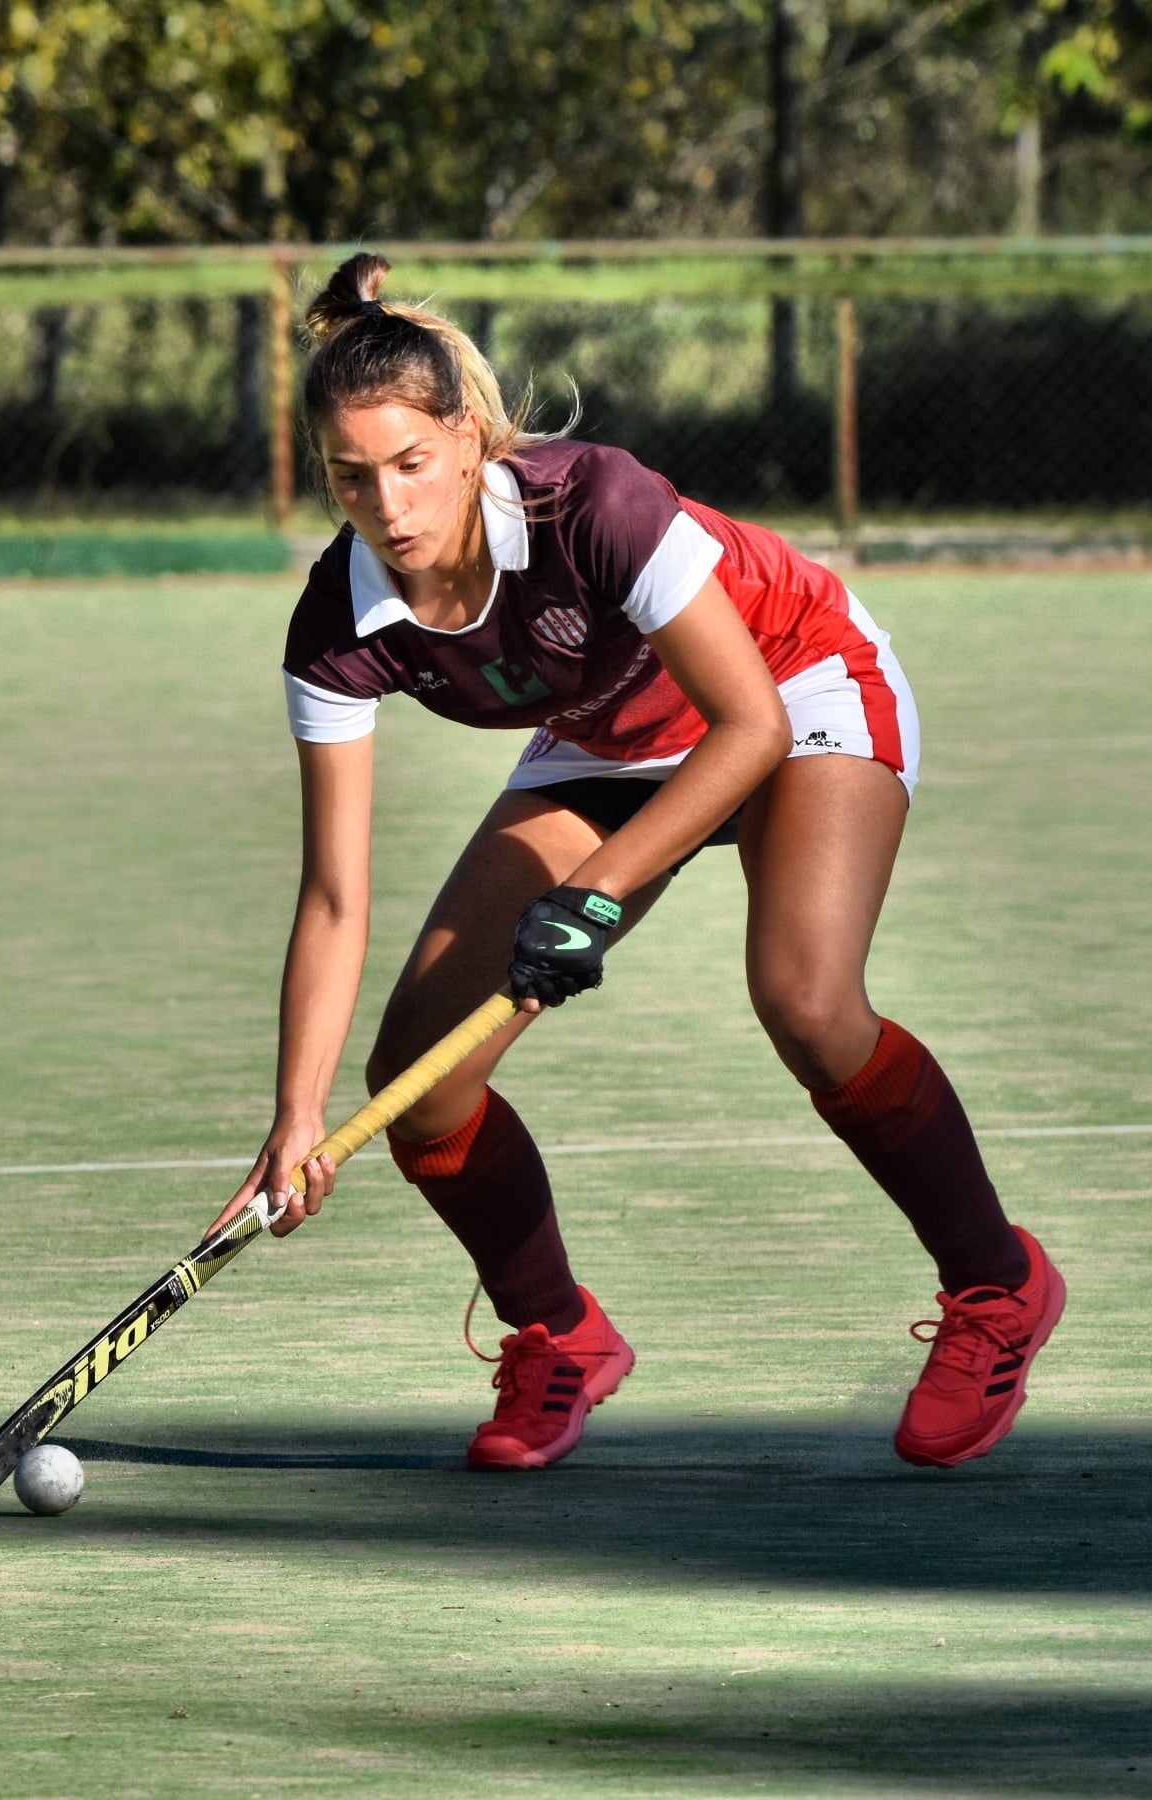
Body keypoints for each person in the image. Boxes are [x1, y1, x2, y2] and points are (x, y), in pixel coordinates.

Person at [212, 251, 1064, 1472]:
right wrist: (296, 1114)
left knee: (806, 999)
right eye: (351, 478)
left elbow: (749, 727)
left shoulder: (591, 505)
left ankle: (997, 1284)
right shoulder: (338, 626)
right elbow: (335, 896)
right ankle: (558, 1335)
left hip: (794, 682)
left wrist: (595, 893)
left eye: (411, 465)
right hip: (609, 735)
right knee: (422, 1083)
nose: (389, 508)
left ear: (466, 438)